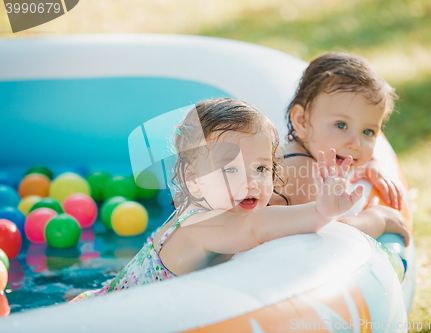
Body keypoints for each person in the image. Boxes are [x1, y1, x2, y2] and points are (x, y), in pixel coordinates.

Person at [71, 98, 363, 302]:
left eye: (261, 168)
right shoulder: (208, 225)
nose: (251, 181)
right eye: (230, 169)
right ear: (193, 178)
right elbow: (257, 227)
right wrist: (321, 211)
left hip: (103, 300)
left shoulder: (197, 208)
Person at [270, 52, 410, 245]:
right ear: (301, 121)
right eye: (341, 125)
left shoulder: (306, 147)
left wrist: (374, 163)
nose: (356, 144)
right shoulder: (303, 172)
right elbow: (325, 239)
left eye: (368, 131)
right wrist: (379, 219)